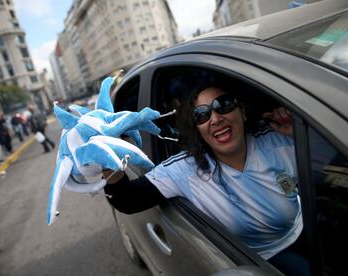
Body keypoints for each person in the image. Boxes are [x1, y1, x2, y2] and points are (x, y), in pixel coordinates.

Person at [103, 84, 308, 276]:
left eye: (223, 105)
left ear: (242, 112)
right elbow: (127, 199)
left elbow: (331, 160)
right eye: (202, 115)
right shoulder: (186, 169)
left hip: (305, 232)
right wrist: (106, 156)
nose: (216, 119)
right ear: (198, 130)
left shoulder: (276, 139)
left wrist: (299, 129)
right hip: (259, 263)